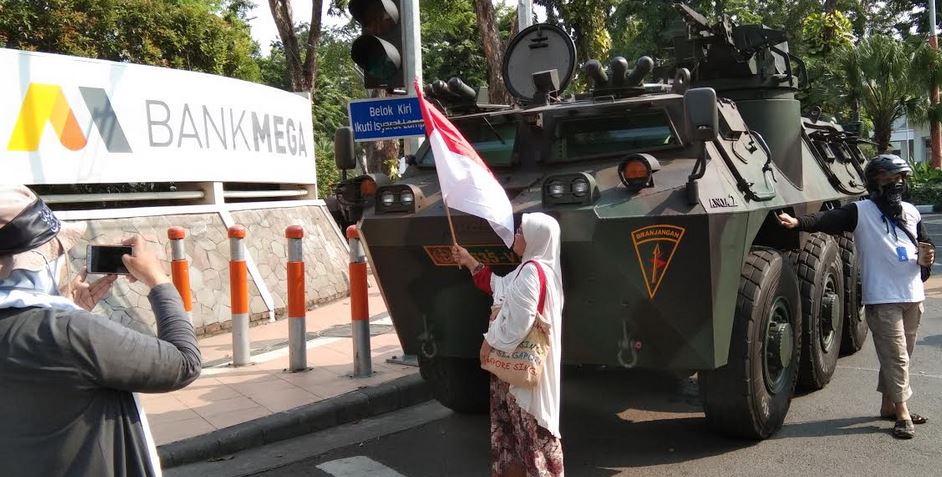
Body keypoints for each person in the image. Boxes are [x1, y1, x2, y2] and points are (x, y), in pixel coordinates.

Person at [0, 185, 202, 475]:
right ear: (40, 261)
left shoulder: (64, 330)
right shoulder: (70, 334)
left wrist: (70, 312)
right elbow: (183, 363)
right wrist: (159, 280)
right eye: (59, 251)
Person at [777, 154, 933, 440]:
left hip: (913, 295)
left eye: (899, 178)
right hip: (883, 298)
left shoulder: (911, 211)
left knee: (902, 356)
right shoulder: (860, 211)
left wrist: (928, 256)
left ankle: (888, 404)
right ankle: (902, 412)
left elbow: (924, 241)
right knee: (896, 357)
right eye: (888, 179)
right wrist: (798, 222)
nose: (895, 184)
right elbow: (827, 219)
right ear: (874, 182)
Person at [452, 212, 565, 476]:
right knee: (529, 430)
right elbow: (500, 287)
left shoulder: (530, 273)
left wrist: (489, 342)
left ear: (536, 238)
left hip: (518, 367)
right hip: (524, 365)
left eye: (521, 232)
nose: (516, 235)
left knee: (530, 430)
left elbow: (519, 323)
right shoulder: (538, 269)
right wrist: (471, 261)